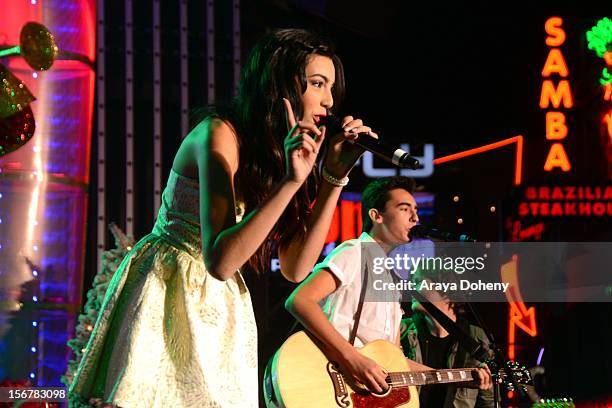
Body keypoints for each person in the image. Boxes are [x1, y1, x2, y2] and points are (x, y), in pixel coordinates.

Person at [68, 29, 377, 407]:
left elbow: (297, 268)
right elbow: (222, 259)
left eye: (330, 87)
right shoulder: (219, 133)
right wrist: (291, 182)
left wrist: (333, 177)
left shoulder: (277, 154)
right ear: (278, 85)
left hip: (221, 304)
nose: (329, 101)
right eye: (317, 84)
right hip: (172, 288)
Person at [283, 176, 492, 397]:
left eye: (415, 210)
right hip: (327, 382)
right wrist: (353, 358)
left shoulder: (390, 281)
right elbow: (299, 300)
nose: (415, 217)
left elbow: (393, 362)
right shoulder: (355, 252)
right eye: (404, 209)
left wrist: (455, 378)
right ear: (376, 216)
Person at [400, 265, 495, 408]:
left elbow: (487, 402)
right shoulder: (401, 331)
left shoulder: (477, 338)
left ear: (445, 290)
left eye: (419, 281)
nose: (412, 288)